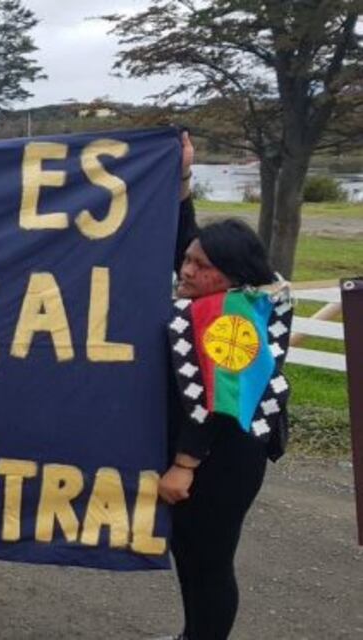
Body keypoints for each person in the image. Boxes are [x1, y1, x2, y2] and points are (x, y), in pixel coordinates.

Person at [160, 131, 287, 640]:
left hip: (223, 458)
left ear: (230, 276)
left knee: (209, 563)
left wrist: (183, 467)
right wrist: (183, 178)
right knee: (191, 557)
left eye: (199, 266)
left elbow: (221, 405)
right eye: (188, 261)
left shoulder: (237, 318)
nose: (186, 270)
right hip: (213, 456)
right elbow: (183, 240)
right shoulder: (223, 295)